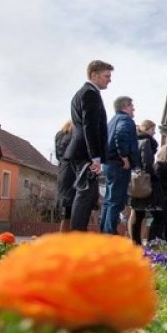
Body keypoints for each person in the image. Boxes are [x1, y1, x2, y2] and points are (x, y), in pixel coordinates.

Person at [64, 60, 112, 231]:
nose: (109, 80)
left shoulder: (84, 93)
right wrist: (95, 157)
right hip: (85, 153)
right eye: (106, 76)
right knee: (85, 195)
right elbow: (90, 126)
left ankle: (79, 235)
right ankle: (77, 238)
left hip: (81, 151)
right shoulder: (89, 94)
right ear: (94, 74)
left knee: (88, 194)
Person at [99, 97, 139, 235]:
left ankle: (104, 229)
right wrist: (124, 157)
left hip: (108, 163)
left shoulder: (112, 121)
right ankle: (109, 232)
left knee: (109, 199)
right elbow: (121, 135)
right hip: (118, 164)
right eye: (131, 106)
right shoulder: (125, 120)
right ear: (125, 107)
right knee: (116, 200)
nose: (133, 109)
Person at [128, 120, 162, 245]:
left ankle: (135, 241)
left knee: (136, 211)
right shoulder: (146, 141)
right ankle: (142, 241)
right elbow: (147, 162)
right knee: (143, 212)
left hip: (133, 179)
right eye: (153, 130)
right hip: (143, 180)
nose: (154, 133)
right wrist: (153, 176)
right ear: (146, 129)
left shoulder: (133, 140)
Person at [54, 120, 74, 232]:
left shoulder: (59, 135)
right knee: (73, 212)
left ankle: (63, 238)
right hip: (73, 173)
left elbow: (58, 155)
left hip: (63, 172)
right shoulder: (75, 135)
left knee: (66, 211)